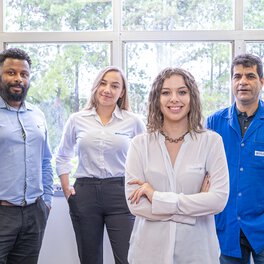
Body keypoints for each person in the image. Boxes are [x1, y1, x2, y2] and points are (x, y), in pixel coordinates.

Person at [125, 67, 229, 264]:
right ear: (157, 98)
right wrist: (195, 206)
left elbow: (218, 200)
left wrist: (155, 197)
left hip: (197, 253)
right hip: (148, 253)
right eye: (166, 92)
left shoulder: (212, 142)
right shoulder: (139, 144)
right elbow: (136, 205)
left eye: (182, 92)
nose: (174, 98)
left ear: (192, 98)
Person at [56, 66, 146, 264]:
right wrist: (65, 187)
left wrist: (142, 186)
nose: (108, 89)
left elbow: (146, 158)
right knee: (89, 259)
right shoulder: (77, 119)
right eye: (103, 83)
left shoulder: (133, 121)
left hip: (121, 193)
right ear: (96, 87)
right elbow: (62, 155)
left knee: (127, 258)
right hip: (85, 194)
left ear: (122, 92)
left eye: (115, 86)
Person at [206, 54, 264, 264]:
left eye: (250, 76)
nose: (243, 82)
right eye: (237, 76)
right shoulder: (214, 122)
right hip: (227, 224)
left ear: (261, 81)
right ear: (231, 81)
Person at [0, 47, 53, 264]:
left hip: (34, 212)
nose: (18, 79)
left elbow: (46, 160)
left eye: (24, 74)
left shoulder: (37, 115)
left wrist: (47, 201)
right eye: (11, 72)